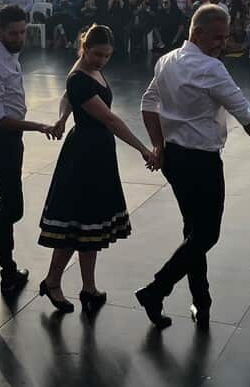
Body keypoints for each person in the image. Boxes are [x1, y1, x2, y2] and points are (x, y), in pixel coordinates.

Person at [134, 4, 250, 329]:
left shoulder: (166, 60)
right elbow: (244, 113)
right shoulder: (211, 69)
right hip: (202, 162)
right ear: (197, 33)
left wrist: (158, 144)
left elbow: (147, 102)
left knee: (194, 232)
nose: (222, 44)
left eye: (224, 38)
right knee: (207, 234)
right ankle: (156, 289)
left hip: (174, 159)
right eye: (217, 37)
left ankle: (202, 301)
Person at [36, 25, 159, 314]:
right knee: (76, 225)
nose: (102, 60)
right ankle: (53, 281)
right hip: (84, 155)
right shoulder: (80, 78)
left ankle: (88, 287)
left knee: (87, 225)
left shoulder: (87, 70)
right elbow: (110, 120)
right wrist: (143, 149)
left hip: (96, 152)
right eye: (97, 55)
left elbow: (66, 98)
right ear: (85, 48)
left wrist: (63, 118)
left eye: (107, 56)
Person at [0, 5, 63, 294]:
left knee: (7, 205)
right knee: (14, 209)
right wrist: (40, 126)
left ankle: (8, 271)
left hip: (10, 138)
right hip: (2, 139)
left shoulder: (5, 54)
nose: (19, 38)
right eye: (13, 33)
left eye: (22, 32)